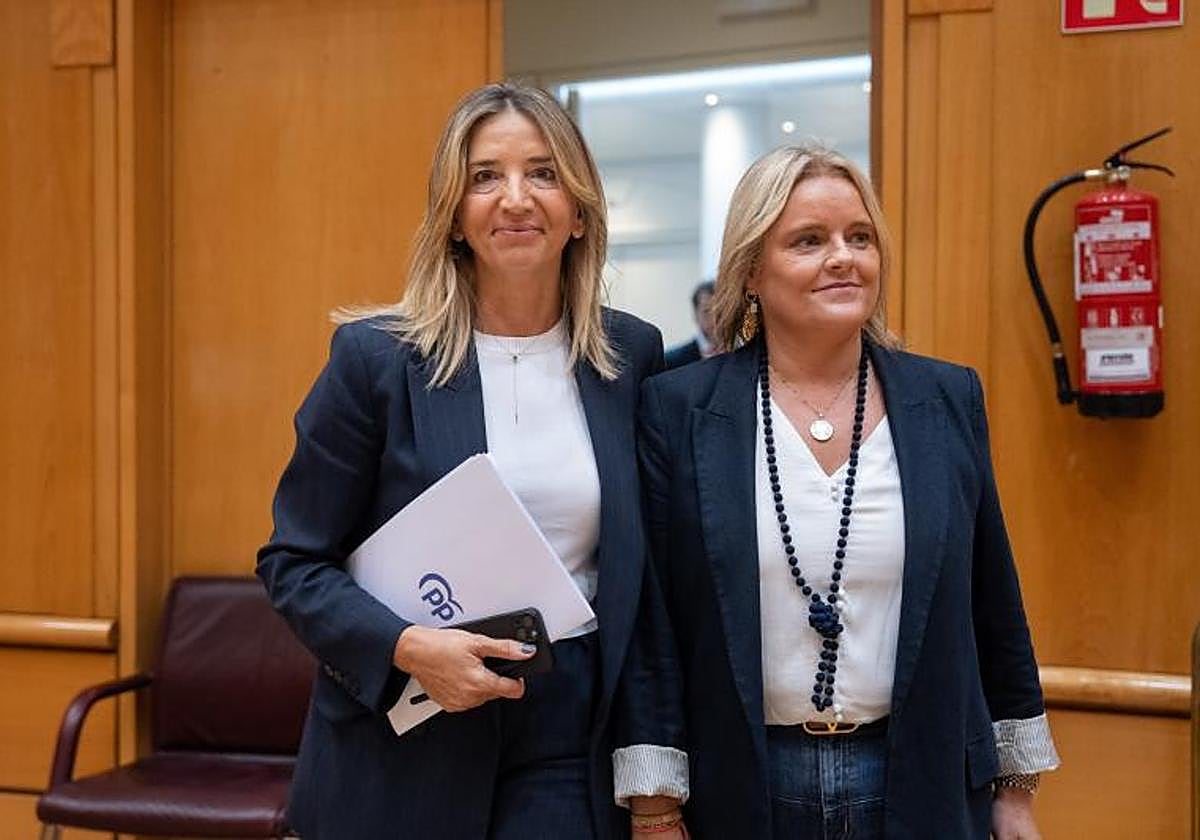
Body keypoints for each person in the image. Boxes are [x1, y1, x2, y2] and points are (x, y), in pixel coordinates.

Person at [257, 83, 665, 840]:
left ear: (579, 210)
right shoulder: (374, 362)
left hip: (568, 727)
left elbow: (649, 585)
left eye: (543, 173)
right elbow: (293, 563)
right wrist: (409, 649)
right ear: (453, 213)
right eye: (485, 177)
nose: (515, 199)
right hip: (407, 729)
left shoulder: (632, 357)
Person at [624, 145, 1059, 839]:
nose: (843, 257)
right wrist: (654, 809)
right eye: (808, 241)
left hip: (920, 776)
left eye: (860, 238)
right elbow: (654, 625)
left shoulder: (945, 398)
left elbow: (993, 602)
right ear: (751, 272)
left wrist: (1015, 791)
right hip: (740, 785)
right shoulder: (678, 410)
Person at [664, 281, 717, 369]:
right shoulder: (672, 361)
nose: (715, 319)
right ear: (696, 315)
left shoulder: (744, 357)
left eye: (721, 311)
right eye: (707, 311)